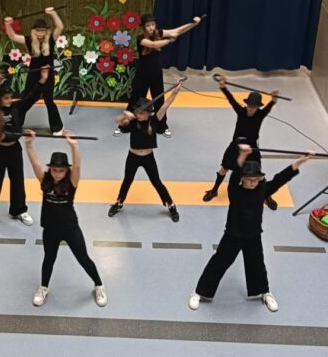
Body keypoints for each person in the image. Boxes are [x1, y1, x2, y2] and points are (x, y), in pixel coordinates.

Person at [189, 144, 314, 313]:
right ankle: (199, 292)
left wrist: (301, 161)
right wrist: (242, 154)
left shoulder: (262, 189)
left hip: (253, 235)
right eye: (250, 179)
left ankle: (265, 292)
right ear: (243, 179)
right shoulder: (234, 190)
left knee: (257, 264)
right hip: (233, 234)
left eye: (257, 179)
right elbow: (235, 174)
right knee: (219, 262)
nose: (254, 182)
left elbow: (281, 178)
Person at [24, 130, 106, 307]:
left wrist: (74, 145)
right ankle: (43, 287)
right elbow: (35, 163)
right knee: (49, 259)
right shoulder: (44, 180)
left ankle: (99, 285)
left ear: (66, 170)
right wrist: (29, 144)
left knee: (83, 258)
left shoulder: (72, 182)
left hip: (70, 228)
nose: (57, 174)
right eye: (54, 170)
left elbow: (77, 165)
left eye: (61, 170)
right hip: (50, 229)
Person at [0, 66, 50, 225]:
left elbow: (33, 97)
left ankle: (19, 210)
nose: (9, 100)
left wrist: (42, 80)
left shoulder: (17, 108)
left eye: (10, 97)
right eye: (6, 98)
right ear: (0, 99)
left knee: (18, 181)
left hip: (14, 149)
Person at [107, 78, 185, 222]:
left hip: (148, 158)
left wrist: (175, 91)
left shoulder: (154, 121)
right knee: (127, 181)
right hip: (133, 157)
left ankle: (171, 205)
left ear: (149, 113)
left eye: (142, 113)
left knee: (156, 182)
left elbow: (166, 105)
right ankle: (118, 203)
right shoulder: (132, 122)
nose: (139, 115)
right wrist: (125, 115)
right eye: (138, 112)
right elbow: (117, 120)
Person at [203, 75, 281, 209]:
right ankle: (214, 190)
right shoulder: (241, 111)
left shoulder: (260, 115)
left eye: (254, 106)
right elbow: (231, 100)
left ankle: (266, 196)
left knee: (258, 174)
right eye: (249, 105)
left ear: (258, 107)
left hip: (252, 148)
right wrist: (223, 87)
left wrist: (273, 99)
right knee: (224, 168)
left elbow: (269, 106)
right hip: (236, 146)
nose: (250, 108)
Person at [119, 14, 202, 138]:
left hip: (156, 74)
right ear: (143, 27)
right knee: (135, 100)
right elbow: (154, 45)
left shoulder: (158, 33)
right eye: (148, 25)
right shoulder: (141, 38)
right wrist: (169, 40)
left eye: (153, 24)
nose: (151, 27)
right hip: (142, 74)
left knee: (159, 100)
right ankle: (125, 126)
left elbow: (177, 31)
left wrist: (193, 24)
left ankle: (162, 126)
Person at [4, 7, 65, 134]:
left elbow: (60, 27)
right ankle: (17, 124)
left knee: (49, 100)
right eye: (38, 30)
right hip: (33, 74)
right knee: (25, 99)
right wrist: (8, 24)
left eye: (42, 30)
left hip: (47, 75)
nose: (40, 33)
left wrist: (53, 13)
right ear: (34, 31)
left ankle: (57, 127)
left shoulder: (51, 39)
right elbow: (13, 36)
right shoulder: (29, 40)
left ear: (46, 31)